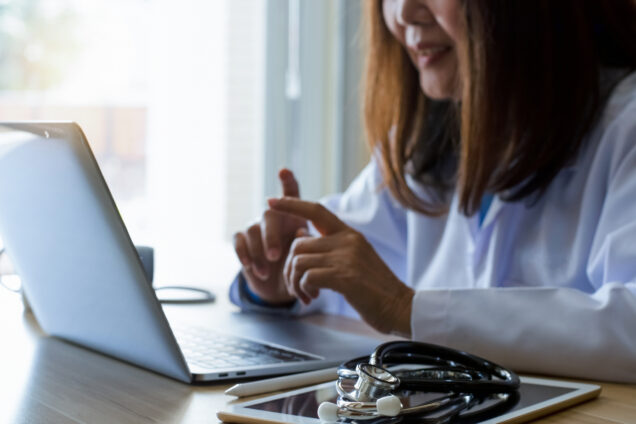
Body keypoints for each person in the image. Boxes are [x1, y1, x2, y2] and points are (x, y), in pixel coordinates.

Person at [230, 0, 636, 383]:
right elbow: (352, 273)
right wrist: (279, 277)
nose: (404, 13)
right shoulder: (424, 144)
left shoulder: (625, 126)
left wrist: (404, 308)